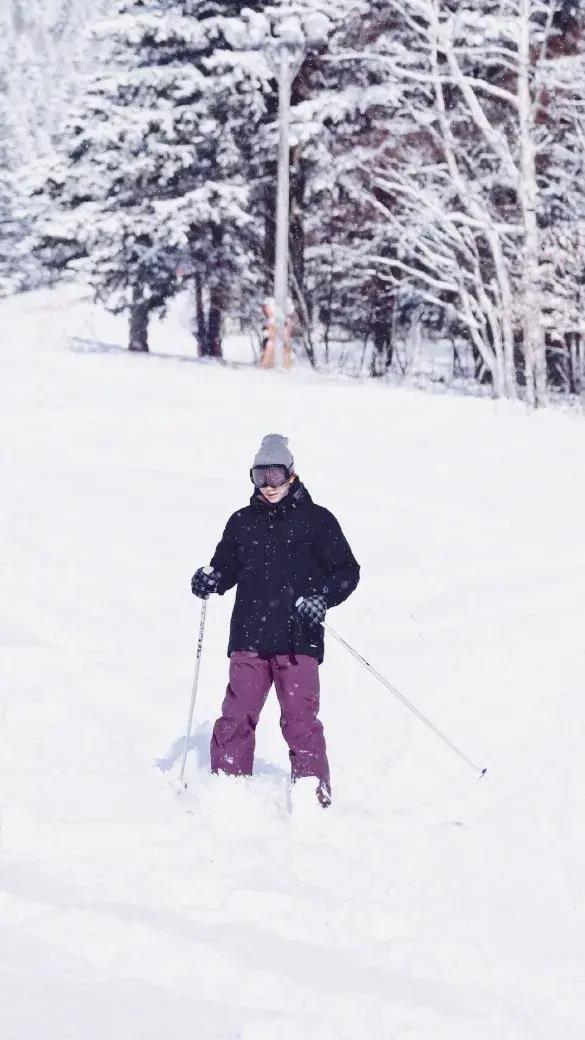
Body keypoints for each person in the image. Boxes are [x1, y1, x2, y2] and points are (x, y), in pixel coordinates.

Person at [191, 434, 360, 807]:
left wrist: (323, 599)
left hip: (298, 639)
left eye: (275, 475)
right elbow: (224, 569)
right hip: (250, 636)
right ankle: (227, 791)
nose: (268, 486)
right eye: (259, 477)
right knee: (236, 715)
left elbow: (347, 571)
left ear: (291, 474)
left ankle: (312, 798)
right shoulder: (241, 523)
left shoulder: (318, 521)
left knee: (300, 722)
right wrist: (210, 579)